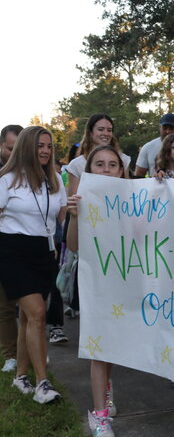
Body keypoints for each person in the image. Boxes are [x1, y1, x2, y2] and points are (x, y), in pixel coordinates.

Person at [0, 126, 66, 404]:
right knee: (38, 313)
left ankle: (20, 377)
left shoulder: (55, 180)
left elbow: (60, 218)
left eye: (49, 146)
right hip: (12, 251)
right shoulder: (7, 180)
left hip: (44, 251)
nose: (45, 151)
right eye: (40, 145)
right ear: (26, 147)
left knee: (29, 317)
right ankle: (43, 384)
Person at [66, 145, 127, 436]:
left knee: (112, 345)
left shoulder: (134, 201)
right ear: (89, 171)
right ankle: (100, 416)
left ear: (121, 170)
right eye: (99, 164)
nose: (106, 169)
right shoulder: (81, 201)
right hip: (97, 286)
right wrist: (76, 216)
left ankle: (106, 387)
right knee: (98, 348)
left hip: (124, 284)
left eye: (112, 164)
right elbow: (74, 245)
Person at [0, 124, 22, 374]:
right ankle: (11, 354)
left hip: (28, 247)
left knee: (31, 308)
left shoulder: (35, 171)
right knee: (5, 304)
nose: (14, 153)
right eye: (9, 148)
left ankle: (30, 350)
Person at [65, 114, 132, 196]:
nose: (105, 133)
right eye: (101, 129)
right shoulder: (76, 165)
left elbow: (127, 192)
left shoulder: (123, 159)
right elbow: (73, 198)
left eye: (109, 130)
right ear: (90, 132)